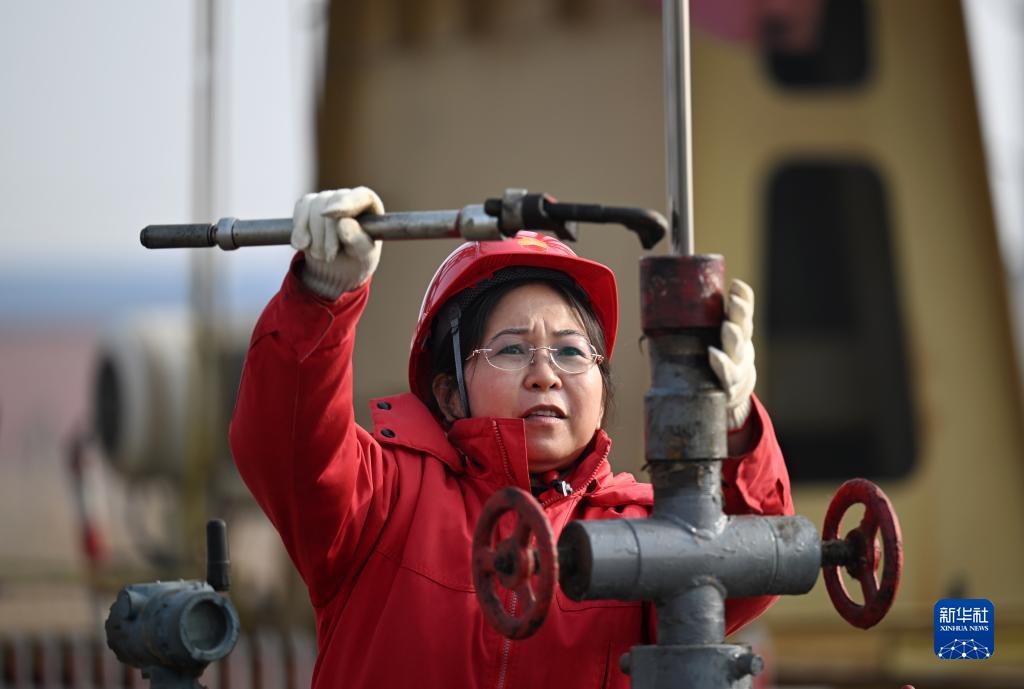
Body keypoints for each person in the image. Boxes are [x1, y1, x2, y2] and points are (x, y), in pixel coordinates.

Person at [230, 187, 794, 689]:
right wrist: (322, 296)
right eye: (512, 349)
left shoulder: (649, 530)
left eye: (571, 351)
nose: (545, 373)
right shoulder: (383, 498)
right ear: (450, 394)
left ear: (602, 388)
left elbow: (757, 556)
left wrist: (731, 420)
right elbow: (287, 443)